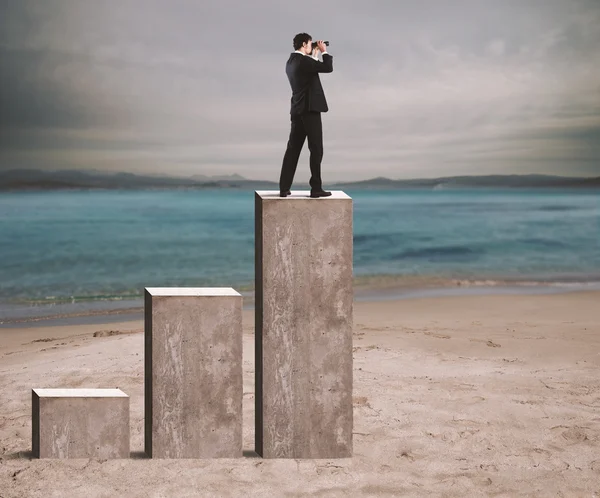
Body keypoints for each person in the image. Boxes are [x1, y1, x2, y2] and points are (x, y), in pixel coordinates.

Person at [279, 33, 333, 198]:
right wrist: (323, 51)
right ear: (304, 44)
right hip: (310, 109)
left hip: (297, 110)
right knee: (316, 148)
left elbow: (310, 70)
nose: (312, 46)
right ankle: (316, 188)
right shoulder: (304, 61)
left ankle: (284, 187)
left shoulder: (291, 62)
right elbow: (327, 67)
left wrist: (314, 53)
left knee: (293, 149)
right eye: (310, 44)